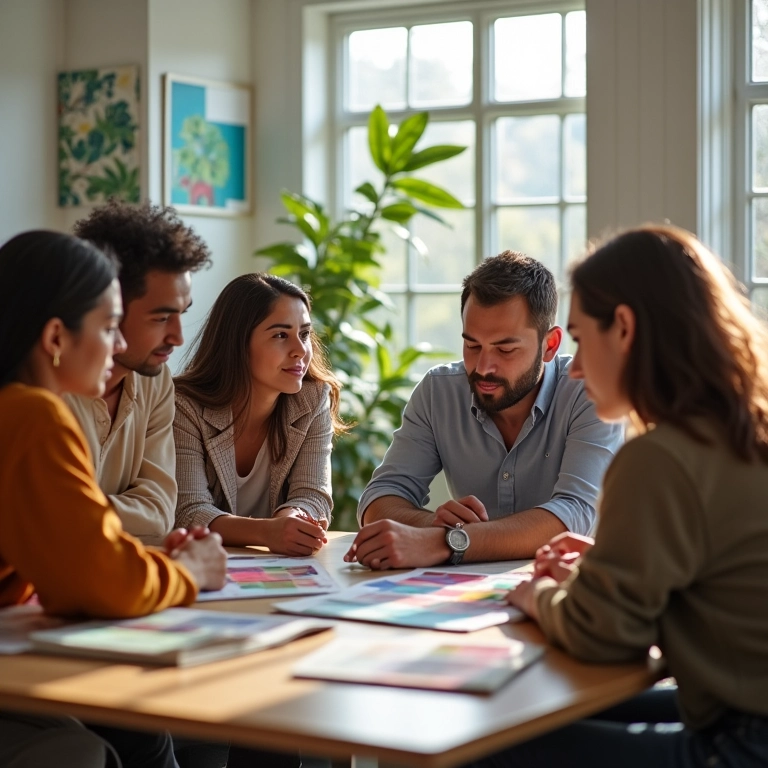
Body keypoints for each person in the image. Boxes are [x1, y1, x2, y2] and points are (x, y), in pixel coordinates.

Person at [483, 225, 768, 767]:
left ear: (625, 327)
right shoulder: (744, 428)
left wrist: (534, 598)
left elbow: (604, 638)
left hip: (742, 743)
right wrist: (606, 572)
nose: (576, 367)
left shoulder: (662, 457)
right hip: (739, 714)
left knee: (486, 742)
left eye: (582, 339)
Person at [0, 230, 227, 768]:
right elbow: (98, 580)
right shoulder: (33, 414)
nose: (119, 345)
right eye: (107, 327)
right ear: (56, 337)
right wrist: (190, 571)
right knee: (94, 747)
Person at [345, 251, 623, 569]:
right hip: (469, 595)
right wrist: (433, 527)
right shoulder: (439, 392)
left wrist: (447, 542)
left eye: (506, 349)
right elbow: (380, 497)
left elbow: (574, 515)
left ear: (550, 345)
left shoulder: (588, 392)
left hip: (571, 589)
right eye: (472, 345)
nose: (484, 367)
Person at [65, 200, 212, 544]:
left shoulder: (156, 379)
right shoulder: (47, 386)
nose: (178, 337)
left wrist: (74, 511)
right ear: (107, 306)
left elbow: (159, 511)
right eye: (161, 318)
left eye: (182, 313)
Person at [173, 273, 345, 555]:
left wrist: (291, 523)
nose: (300, 351)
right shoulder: (184, 405)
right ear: (237, 343)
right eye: (280, 335)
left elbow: (312, 494)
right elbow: (189, 511)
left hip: (271, 566)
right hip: (200, 564)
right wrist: (268, 532)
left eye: (304, 334)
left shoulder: (313, 399)